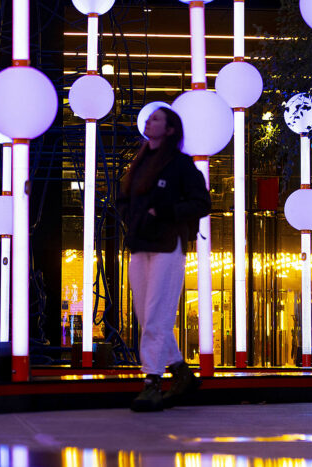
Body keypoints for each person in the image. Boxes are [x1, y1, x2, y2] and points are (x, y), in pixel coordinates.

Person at [118, 106, 211, 412]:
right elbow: (124, 199)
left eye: (157, 118)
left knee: (156, 314)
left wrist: (166, 213)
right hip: (141, 243)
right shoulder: (141, 162)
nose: (149, 120)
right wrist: (131, 219)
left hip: (167, 245)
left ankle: (152, 382)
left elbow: (202, 202)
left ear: (171, 129)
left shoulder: (181, 166)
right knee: (147, 317)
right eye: (149, 117)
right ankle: (182, 372)